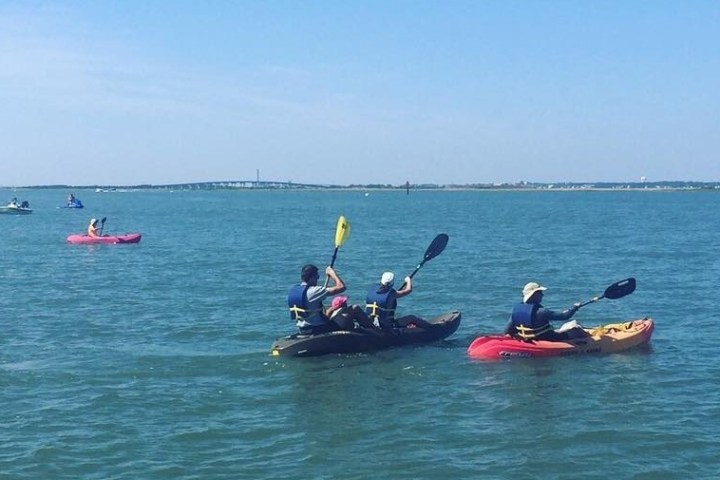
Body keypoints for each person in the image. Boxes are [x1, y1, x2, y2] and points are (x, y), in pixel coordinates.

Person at [505, 282, 587, 341]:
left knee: (561, 329)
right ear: (534, 294)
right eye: (540, 292)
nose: (542, 295)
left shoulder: (516, 311)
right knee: (576, 330)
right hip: (548, 338)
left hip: (527, 339)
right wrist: (575, 307)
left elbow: (507, 331)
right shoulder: (541, 312)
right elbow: (565, 316)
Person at [288, 264, 346, 335]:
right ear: (312, 277)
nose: (317, 279)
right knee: (354, 309)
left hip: (303, 329)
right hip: (318, 329)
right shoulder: (314, 291)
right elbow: (341, 287)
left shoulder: (294, 291)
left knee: (330, 311)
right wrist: (331, 273)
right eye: (317, 277)